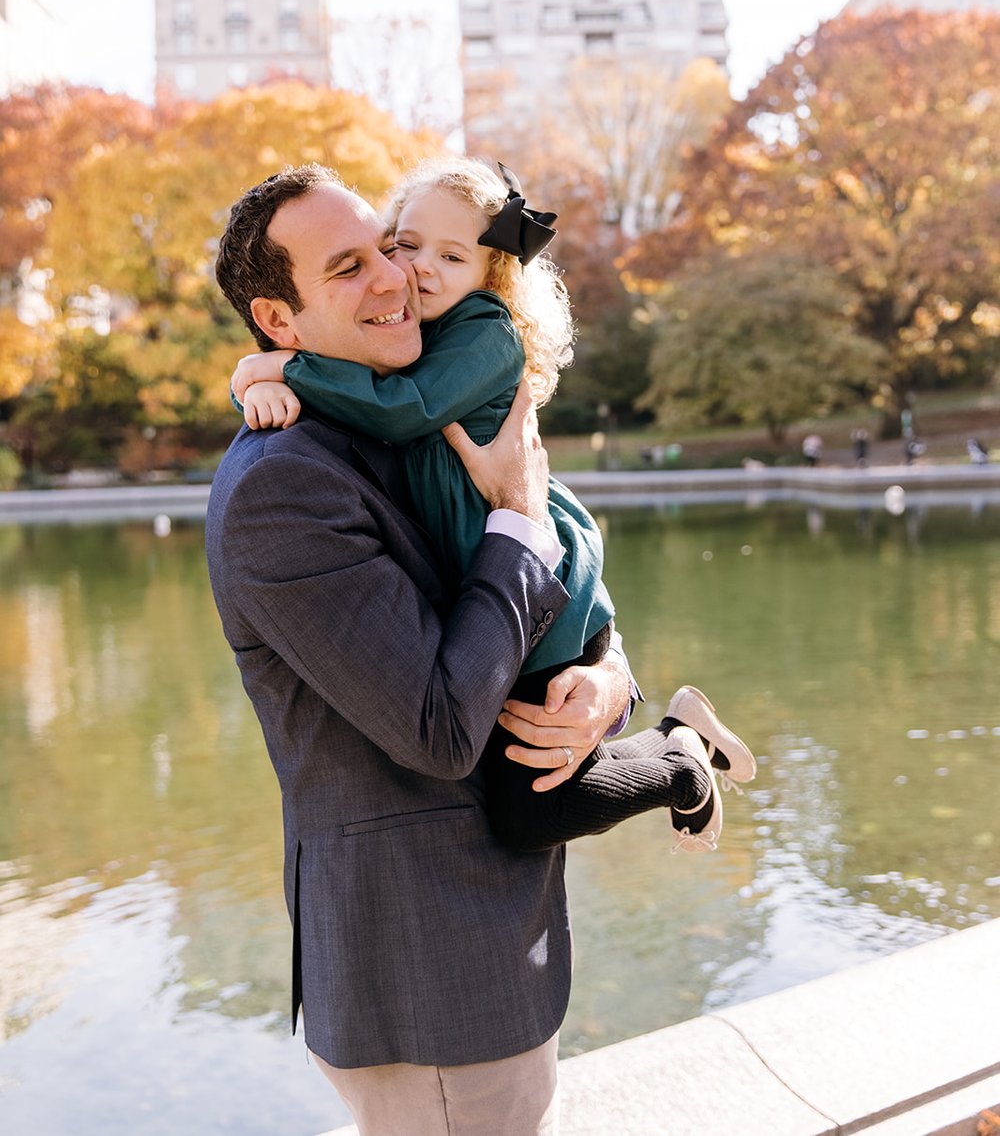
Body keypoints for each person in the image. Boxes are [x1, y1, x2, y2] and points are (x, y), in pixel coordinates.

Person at [204, 165, 739, 1136]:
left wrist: (607, 679)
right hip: (425, 972)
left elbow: (554, 556)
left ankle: (673, 749)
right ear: (279, 321)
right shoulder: (285, 489)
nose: (394, 278)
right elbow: (443, 726)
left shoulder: (408, 410)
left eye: (387, 247)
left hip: (492, 934)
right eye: (347, 269)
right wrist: (518, 522)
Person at [230, 157, 756, 856]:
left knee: (536, 802)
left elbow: (405, 412)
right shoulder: (292, 474)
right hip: (508, 593)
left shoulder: (480, 331)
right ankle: (678, 742)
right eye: (402, 246)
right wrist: (258, 376)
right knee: (539, 794)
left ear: (492, 274)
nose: (410, 272)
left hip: (545, 592)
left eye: (451, 255)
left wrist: (278, 367)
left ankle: (678, 756)